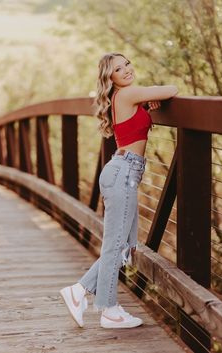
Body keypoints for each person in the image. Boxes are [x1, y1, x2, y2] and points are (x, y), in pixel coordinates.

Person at [60, 52, 178, 329]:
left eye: (127, 64)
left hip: (124, 173)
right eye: (118, 69)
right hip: (123, 173)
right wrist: (149, 97)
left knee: (124, 245)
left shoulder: (125, 97)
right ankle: (109, 310)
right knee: (115, 244)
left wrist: (146, 105)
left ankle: (79, 292)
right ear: (109, 78)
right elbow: (172, 89)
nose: (126, 70)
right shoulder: (127, 94)